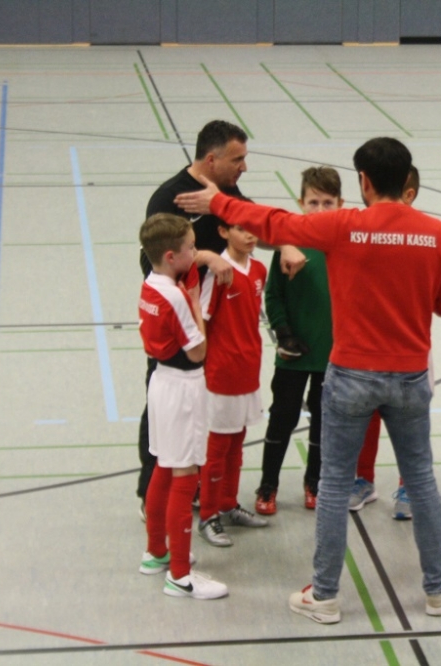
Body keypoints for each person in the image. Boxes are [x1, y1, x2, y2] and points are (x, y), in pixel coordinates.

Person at [174, 138, 441, 624]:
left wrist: (219, 202)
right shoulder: (438, 233)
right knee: (421, 480)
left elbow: (274, 223)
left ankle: (325, 595)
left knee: (332, 485)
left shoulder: (343, 227)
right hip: (410, 376)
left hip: (350, 375)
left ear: (364, 182)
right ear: (407, 181)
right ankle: (437, 590)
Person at [135, 120, 305, 517]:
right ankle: (151, 492)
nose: (244, 167)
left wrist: (284, 243)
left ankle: (198, 489)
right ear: (211, 160)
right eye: (237, 159)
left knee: (202, 412)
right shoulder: (170, 197)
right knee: (166, 412)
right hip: (178, 324)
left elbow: (252, 223)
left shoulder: (226, 193)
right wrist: (205, 257)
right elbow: (153, 263)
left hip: (212, 326)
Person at [136, 213, 227, 600]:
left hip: (160, 383)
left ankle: (156, 551)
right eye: (191, 247)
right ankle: (180, 575)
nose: (195, 251)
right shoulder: (176, 296)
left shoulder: (151, 283)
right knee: (186, 473)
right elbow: (197, 351)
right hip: (183, 388)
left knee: (163, 464)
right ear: (172, 256)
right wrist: (194, 303)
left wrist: (200, 260)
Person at [255, 167, 342, 515]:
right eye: (313, 202)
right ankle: (268, 485)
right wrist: (284, 333)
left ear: (340, 203)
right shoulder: (287, 246)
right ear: (300, 202)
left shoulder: (343, 246)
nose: (320, 210)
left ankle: (314, 483)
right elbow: (273, 296)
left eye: (327, 202)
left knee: (324, 422)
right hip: (293, 355)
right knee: (282, 418)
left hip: (332, 356)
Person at [350, 165, 421, 521]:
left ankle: (409, 486)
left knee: (408, 418)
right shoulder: (359, 231)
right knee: (368, 414)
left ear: (409, 195)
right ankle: (364, 480)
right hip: (369, 346)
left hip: (410, 349)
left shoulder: (426, 236)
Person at [196, 212, 270, 548]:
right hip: (222, 372)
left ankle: (228, 504)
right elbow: (202, 320)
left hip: (249, 368)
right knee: (218, 447)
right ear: (224, 232)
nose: (250, 235)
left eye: (253, 229)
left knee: (237, 443)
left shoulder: (259, 270)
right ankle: (207, 514)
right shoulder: (218, 273)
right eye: (241, 229)